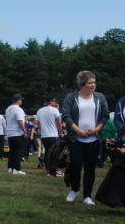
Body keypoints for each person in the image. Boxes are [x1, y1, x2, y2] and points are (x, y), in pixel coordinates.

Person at [61, 70, 110, 205]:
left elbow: (105, 115)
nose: (93, 85)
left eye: (94, 82)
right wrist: (77, 130)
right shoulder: (72, 97)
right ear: (82, 83)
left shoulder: (100, 97)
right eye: (90, 83)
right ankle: (74, 189)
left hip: (94, 139)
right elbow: (66, 115)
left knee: (90, 168)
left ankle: (87, 195)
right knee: (75, 165)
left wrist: (97, 129)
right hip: (75, 139)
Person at [36, 95, 64, 175]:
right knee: (56, 153)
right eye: (54, 101)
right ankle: (56, 169)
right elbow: (59, 123)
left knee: (48, 153)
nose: (55, 103)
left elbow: (38, 123)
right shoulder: (55, 110)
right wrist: (61, 133)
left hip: (44, 135)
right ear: (51, 101)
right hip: (53, 134)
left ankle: (48, 170)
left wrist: (42, 130)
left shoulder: (39, 111)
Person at [5, 94, 27, 175]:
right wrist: (24, 131)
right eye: (21, 100)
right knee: (18, 151)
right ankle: (16, 168)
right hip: (17, 133)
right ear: (18, 100)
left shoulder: (8, 109)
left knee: (12, 151)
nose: (21, 101)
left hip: (10, 133)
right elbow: (20, 121)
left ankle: (10, 167)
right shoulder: (19, 110)